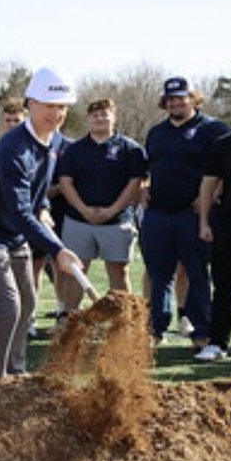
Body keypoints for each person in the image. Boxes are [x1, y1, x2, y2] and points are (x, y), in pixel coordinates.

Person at [0, 68, 84, 379]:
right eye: (49, 105)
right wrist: (57, 249)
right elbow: (19, 211)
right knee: (8, 307)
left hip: (15, 234)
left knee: (28, 303)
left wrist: (43, 206)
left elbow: (36, 191)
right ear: (31, 104)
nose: (56, 113)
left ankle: (16, 371)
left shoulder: (54, 141)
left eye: (62, 106)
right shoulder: (13, 149)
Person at [140, 76, 229, 346]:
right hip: (158, 213)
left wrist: (209, 197)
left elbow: (226, 170)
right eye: (171, 99)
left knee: (197, 273)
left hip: (193, 213)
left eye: (181, 97)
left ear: (193, 99)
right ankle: (155, 330)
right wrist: (145, 187)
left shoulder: (213, 129)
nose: (176, 103)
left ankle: (200, 331)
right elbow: (148, 168)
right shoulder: (157, 132)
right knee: (158, 275)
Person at [55, 98, 147, 310]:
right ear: (88, 119)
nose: (99, 119)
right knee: (75, 271)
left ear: (114, 117)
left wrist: (112, 210)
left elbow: (135, 183)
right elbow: (65, 182)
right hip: (78, 220)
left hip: (117, 221)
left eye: (105, 114)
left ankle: (122, 320)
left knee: (119, 271)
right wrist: (84, 210)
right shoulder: (74, 149)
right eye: (95, 115)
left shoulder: (130, 148)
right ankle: (70, 318)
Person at [194, 82, 231, 362]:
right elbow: (208, 186)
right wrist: (204, 222)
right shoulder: (224, 145)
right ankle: (218, 343)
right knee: (224, 288)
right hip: (228, 227)